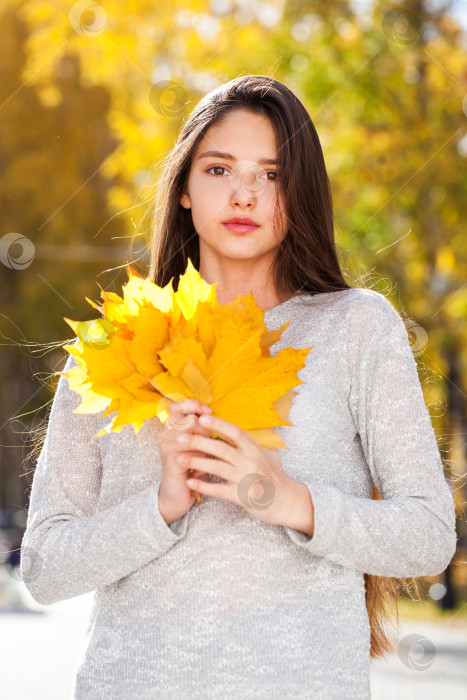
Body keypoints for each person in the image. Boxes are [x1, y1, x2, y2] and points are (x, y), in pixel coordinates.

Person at [21, 74, 457, 699]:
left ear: (298, 192)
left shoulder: (355, 327)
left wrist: (289, 502)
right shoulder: (116, 343)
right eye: (220, 169)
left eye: (272, 174)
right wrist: (162, 506)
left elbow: (428, 536)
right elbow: (43, 568)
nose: (245, 194)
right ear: (186, 192)